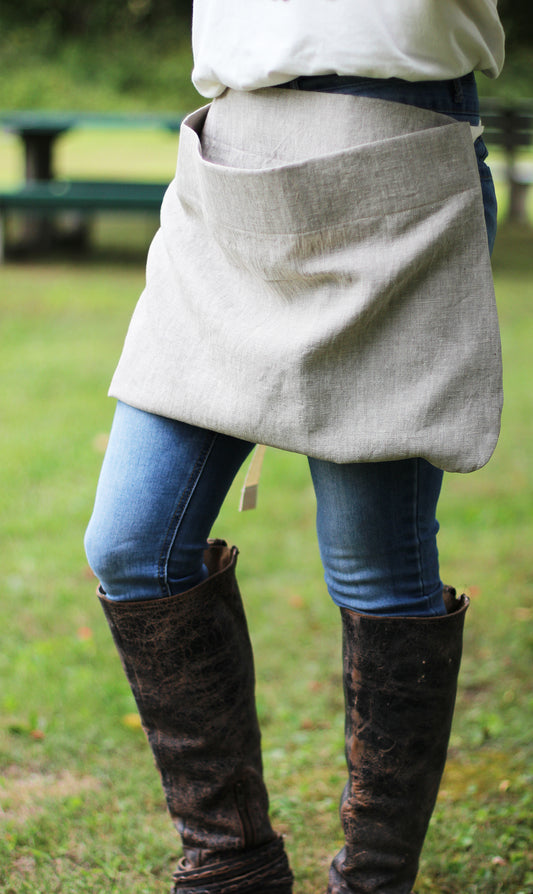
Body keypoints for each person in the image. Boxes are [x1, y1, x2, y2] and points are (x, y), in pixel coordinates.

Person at [84, 2, 505, 892]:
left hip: (393, 165)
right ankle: (232, 866)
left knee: (372, 569)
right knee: (131, 543)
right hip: (231, 170)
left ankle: (373, 880)